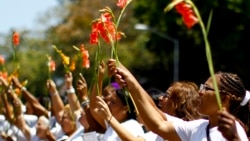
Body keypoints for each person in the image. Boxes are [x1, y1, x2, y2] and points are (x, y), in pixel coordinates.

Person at [107, 59, 249, 141]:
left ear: (224, 99)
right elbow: (159, 124)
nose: (200, 92)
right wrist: (130, 82)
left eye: (207, 88)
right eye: (202, 87)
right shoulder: (199, 127)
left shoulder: (235, 132)